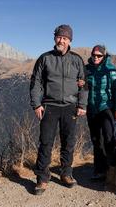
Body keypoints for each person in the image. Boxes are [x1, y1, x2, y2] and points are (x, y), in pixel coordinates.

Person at [29, 24, 86, 195]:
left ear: (70, 41)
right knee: (46, 142)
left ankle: (66, 174)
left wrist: (82, 105)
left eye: (65, 38)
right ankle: (42, 178)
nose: (61, 40)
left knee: (68, 142)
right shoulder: (45, 58)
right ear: (55, 38)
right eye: (59, 37)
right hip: (49, 106)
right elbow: (36, 82)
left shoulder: (76, 60)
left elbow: (84, 84)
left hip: (70, 107)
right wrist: (36, 104)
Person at [85, 45, 116, 181]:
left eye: (99, 55)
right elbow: (83, 88)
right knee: (96, 140)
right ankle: (100, 170)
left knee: (108, 137)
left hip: (106, 107)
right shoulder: (87, 69)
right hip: (91, 108)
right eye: (94, 55)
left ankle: (115, 168)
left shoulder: (110, 70)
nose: (96, 57)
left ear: (104, 56)